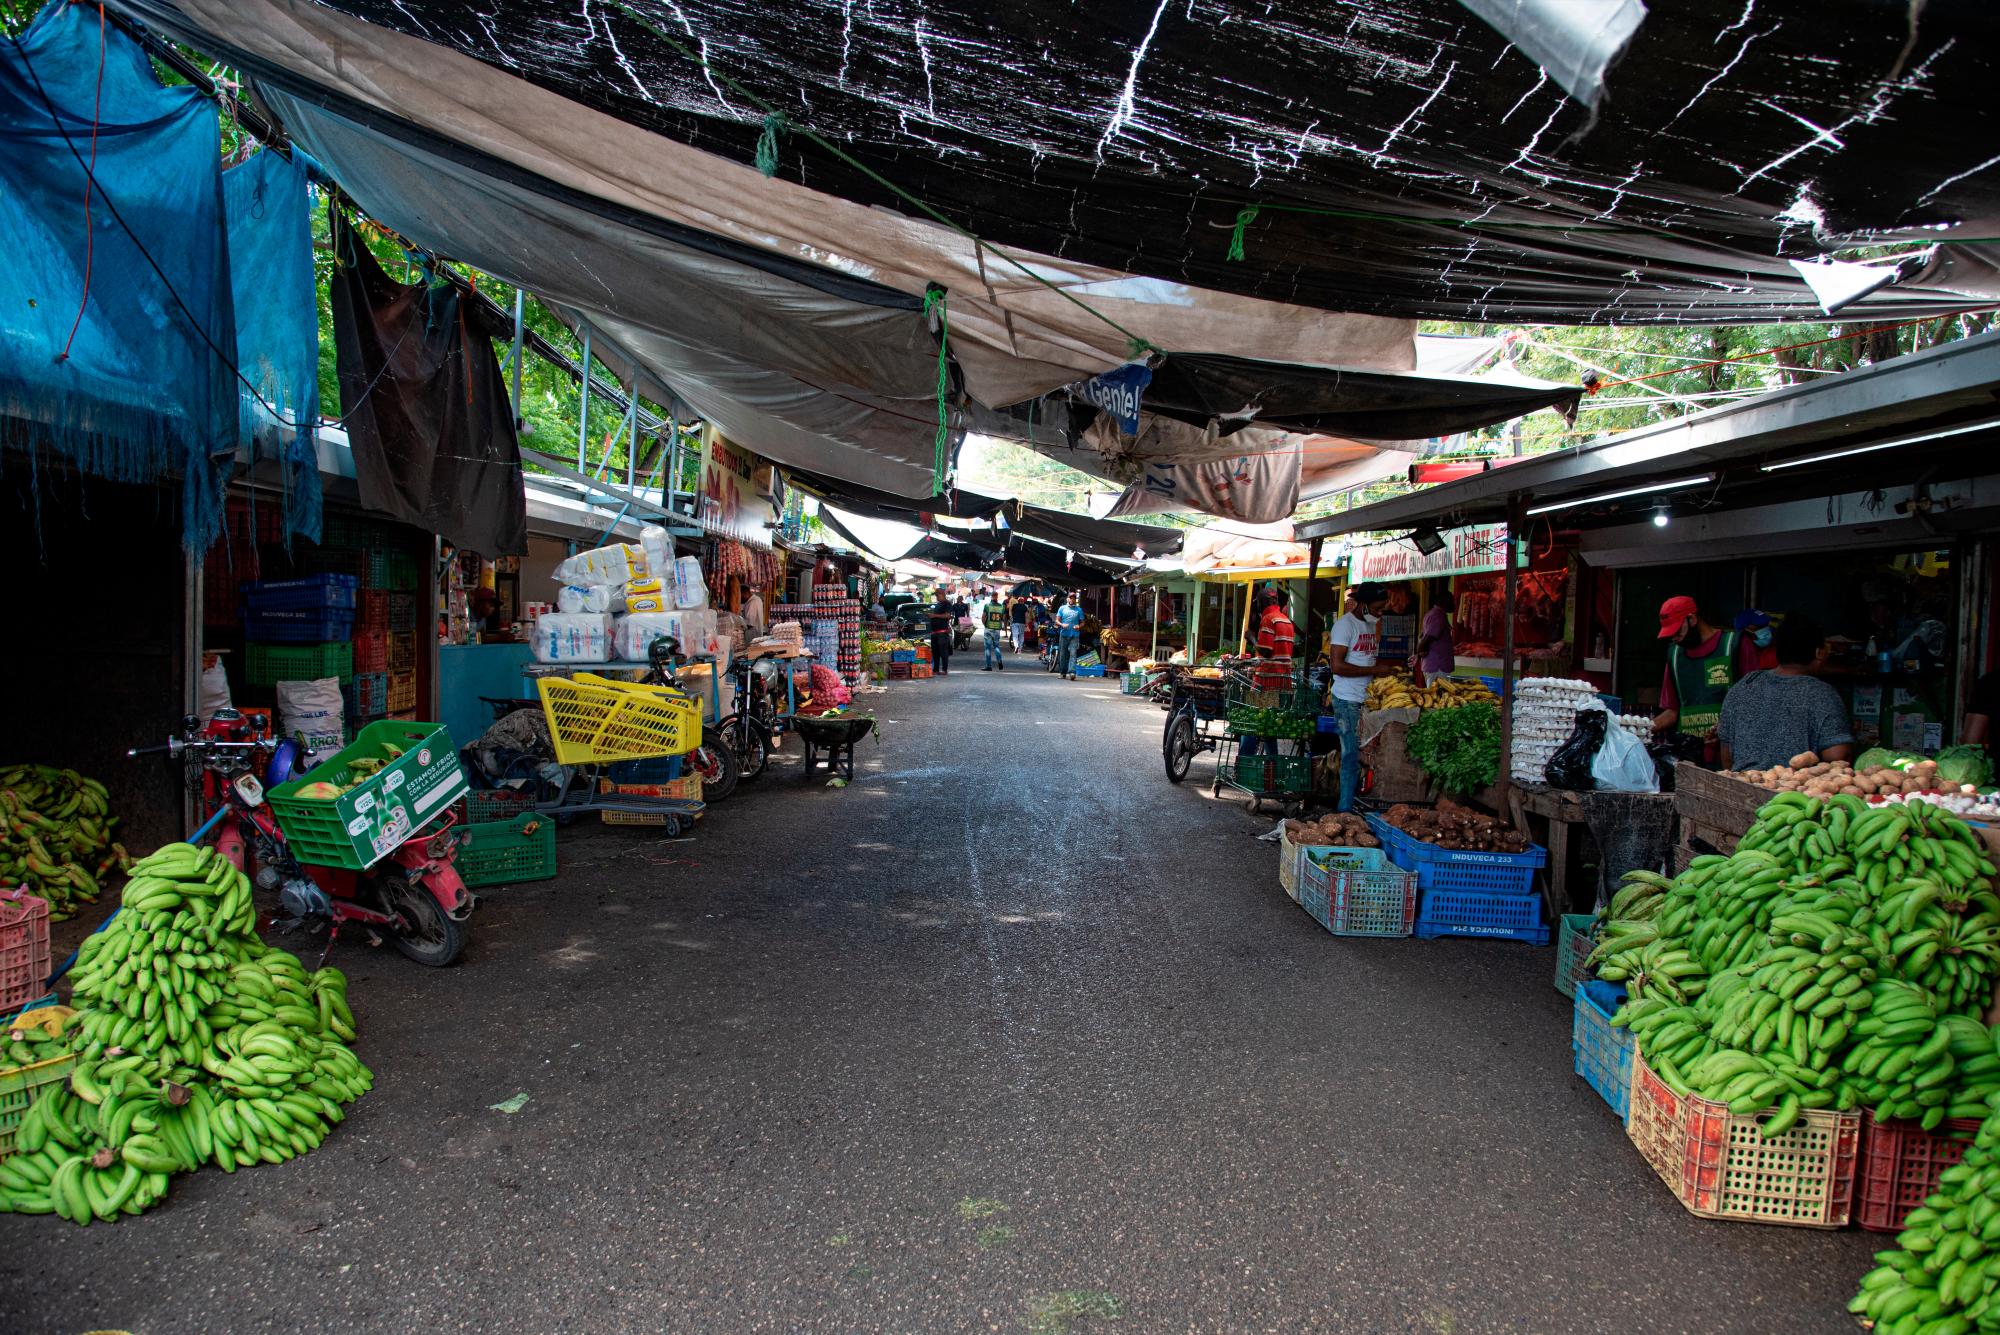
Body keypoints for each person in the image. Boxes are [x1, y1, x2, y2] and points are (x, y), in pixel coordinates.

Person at [1718, 614, 1855, 771]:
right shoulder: (1823, 694)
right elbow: (1838, 757)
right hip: (1795, 793)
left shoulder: (1744, 685)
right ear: (1818, 653)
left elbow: (1726, 755)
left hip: (1741, 786)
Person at [1327, 583, 1397, 812]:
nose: (1381, 612)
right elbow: (1337, 666)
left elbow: (1365, 658)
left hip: (1365, 698)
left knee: (1365, 755)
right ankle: (1344, 810)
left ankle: (1355, 804)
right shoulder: (1344, 626)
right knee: (1350, 755)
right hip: (1346, 700)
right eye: (1377, 608)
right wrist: (1374, 670)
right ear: (1363, 605)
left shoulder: (1371, 623)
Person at [1651, 596, 1758, 745]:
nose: (1675, 638)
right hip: (1689, 753)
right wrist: (1640, 729)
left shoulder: (1734, 645)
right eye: (1670, 634)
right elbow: (1673, 711)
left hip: (1728, 751)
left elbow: (1755, 701)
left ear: (1692, 619)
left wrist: (1724, 727)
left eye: (1677, 631)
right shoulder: (1675, 656)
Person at [1242, 591, 1298, 757]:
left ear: (1261, 603)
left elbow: (1266, 651)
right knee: (1269, 726)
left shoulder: (1268, 619)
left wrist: (1251, 637)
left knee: (1250, 723)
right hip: (1283, 681)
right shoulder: (1285, 620)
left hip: (1266, 682)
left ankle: (1245, 763)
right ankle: (1271, 767)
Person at [1413, 582, 1454, 681]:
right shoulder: (1437, 616)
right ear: (1444, 602)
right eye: (1452, 601)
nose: (1454, 604)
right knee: (1437, 695)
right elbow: (1426, 639)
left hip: (1437, 667)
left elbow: (1423, 635)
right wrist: (1419, 652)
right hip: (1437, 668)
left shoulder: (1434, 614)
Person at [1054, 591, 1085, 679]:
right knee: (1063, 654)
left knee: (1073, 653)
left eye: (1074, 598)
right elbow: (1057, 620)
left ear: (1075, 600)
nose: (1072, 599)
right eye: (1071, 598)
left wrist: (1079, 626)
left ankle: (1072, 672)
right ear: (1068, 599)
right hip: (1064, 634)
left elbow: (1083, 622)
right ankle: (1062, 673)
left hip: (1074, 635)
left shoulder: (1079, 610)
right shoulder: (1062, 608)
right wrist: (1062, 624)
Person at [927, 589, 955, 676]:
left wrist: (934, 615)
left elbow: (948, 615)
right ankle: (935, 669)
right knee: (935, 652)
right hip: (934, 632)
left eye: (937, 595)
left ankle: (944, 669)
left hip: (942, 633)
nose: (936, 597)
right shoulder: (938, 604)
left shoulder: (947, 604)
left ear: (942, 594)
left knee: (943, 652)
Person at [980, 592, 1008, 670]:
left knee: (987, 648)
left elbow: (983, 617)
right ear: (997, 597)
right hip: (997, 629)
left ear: (991, 597)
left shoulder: (987, 606)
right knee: (996, 646)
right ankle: (999, 661)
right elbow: (1003, 618)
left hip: (988, 628)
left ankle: (989, 666)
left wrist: (985, 624)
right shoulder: (1002, 607)